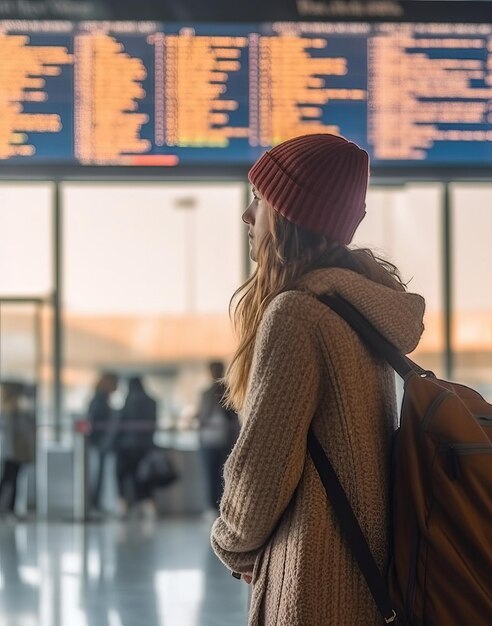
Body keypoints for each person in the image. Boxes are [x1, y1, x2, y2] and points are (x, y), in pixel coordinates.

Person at [210, 134, 425, 624]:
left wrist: (230, 541)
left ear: (289, 214)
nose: (247, 215)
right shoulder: (357, 310)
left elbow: (261, 472)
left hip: (314, 585)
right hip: (365, 582)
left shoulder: (297, 315)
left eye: (260, 199)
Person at [197, 360, 239, 517]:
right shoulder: (206, 394)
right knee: (210, 475)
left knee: (224, 476)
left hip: (224, 440)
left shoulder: (228, 392)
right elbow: (202, 416)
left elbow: (233, 417)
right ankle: (211, 507)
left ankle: (223, 507)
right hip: (209, 441)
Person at [114, 376, 158, 518]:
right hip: (145, 446)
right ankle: (148, 506)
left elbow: (120, 424)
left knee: (123, 475)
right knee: (144, 478)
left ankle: (124, 504)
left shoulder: (128, 401)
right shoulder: (151, 402)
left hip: (126, 447)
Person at [0, 382, 36, 520]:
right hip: (12, 453)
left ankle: (10, 508)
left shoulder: (19, 412)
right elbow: (10, 435)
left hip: (16, 453)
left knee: (12, 480)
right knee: (8, 480)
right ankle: (7, 509)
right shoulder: (9, 413)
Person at [87, 372, 119, 512]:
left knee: (99, 474)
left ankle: (96, 503)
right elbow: (96, 423)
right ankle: (94, 503)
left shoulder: (101, 399)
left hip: (100, 443)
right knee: (97, 474)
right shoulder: (100, 400)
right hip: (99, 443)